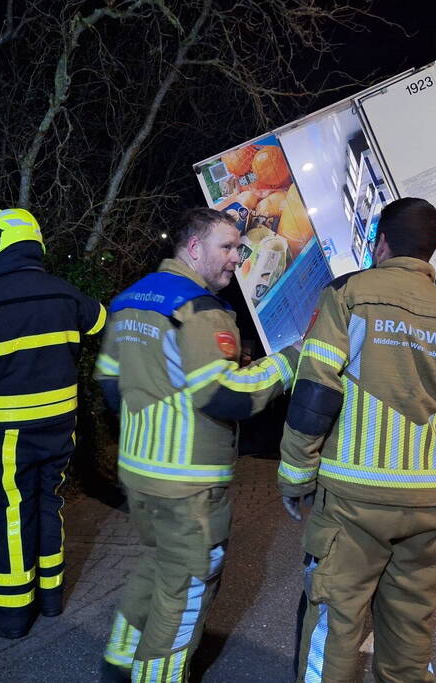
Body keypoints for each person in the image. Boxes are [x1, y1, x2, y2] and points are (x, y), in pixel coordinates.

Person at [278, 197, 436, 682]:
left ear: (380, 242)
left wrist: (295, 474)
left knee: (336, 629)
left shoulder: (350, 296)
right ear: (431, 250)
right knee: (409, 642)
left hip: (351, 503)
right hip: (426, 510)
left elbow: (315, 392)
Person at [96, 208, 299, 681]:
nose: (236, 258)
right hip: (187, 481)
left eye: (239, 248)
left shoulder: (128, 300)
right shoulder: (201, 310)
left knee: (155, 566)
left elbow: (110, 383)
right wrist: (288, 361)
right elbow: (225, 394)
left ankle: (119, 663)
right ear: (193, 248)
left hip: (140, 472)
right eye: (227, 247)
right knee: (185, 588)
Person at [0, 209, 106, 639]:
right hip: (60, 424)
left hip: (10, 431)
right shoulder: (65, 293)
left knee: (12, 513)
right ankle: (50, 597)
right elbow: (102, 320)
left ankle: (12, 613)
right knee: (49, 503)